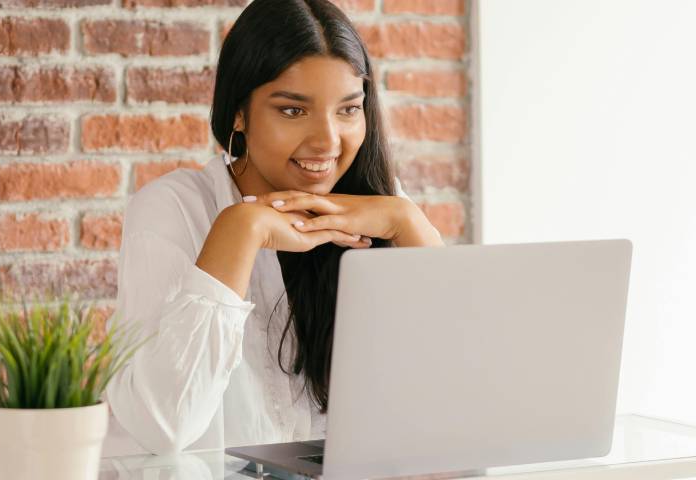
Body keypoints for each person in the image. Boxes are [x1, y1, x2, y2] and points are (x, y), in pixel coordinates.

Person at [103, 0, 445, 456]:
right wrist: (241, 229)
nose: (327, 141)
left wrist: (407, 222)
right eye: (293, 111)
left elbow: (456, 391)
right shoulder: (175, 209)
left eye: (348, 110)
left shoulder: (379, 207)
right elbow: (163, 425)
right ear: (239, 112)